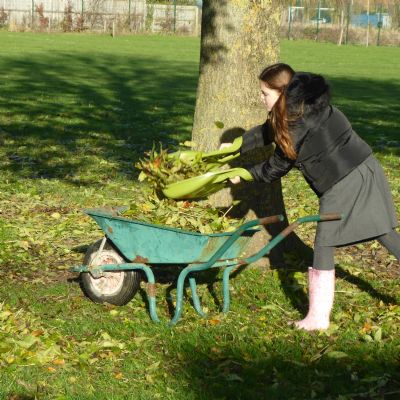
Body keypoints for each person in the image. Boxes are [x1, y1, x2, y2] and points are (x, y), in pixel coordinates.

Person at [221, 63, 400, 331]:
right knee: (383, 231)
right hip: (364, 167)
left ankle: (317, 317)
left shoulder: (297, 123)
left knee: (326, 243)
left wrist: (244, 174)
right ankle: (317, 316)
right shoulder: (304, 105)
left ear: (282, 93)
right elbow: (269, 130)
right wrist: (238, 145)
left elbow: (277, 166)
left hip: (345, 180)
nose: (260, 98)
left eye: (265, 93)